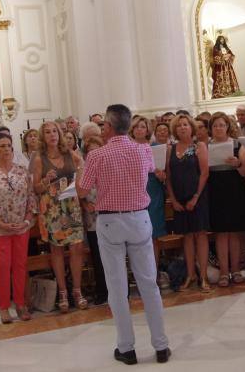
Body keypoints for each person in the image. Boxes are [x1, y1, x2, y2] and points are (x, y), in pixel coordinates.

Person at [77, 104, 171, 365]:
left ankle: (127, 348)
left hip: (110, 222)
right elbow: (151, 171)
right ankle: (161, 345)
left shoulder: (96, 156)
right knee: (148, 283)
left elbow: (83, 191)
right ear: (129, 126)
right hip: (140, 217)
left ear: (107, 127)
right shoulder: (143, 150)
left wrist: (78, 171)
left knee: (117, 286)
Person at [0, 132, 37, 324]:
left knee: (20, 265)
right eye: (2, 146)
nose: (6, 150)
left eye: (9, 146)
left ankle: (20, 303)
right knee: (3, 267)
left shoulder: (21, 171)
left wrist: (26, 220)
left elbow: (31, 198)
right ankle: (3, 307)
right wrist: (1, 223)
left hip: (21, 227)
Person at [32, 121, 87, 312]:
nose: (52, 135)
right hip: (52, 208)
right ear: (43, 137)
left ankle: (77, 291)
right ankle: (63, 292)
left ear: (59, 134)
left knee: (76, 248)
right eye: (47, 132)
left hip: (70, 205)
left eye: (54, 131)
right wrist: (46, 181)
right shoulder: (39, 158)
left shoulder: (70, 153)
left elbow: (83, 168)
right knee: (56, 250)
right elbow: (35, 188)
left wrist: (79, 178)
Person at [166, 113, 211, 292]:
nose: (182, 127)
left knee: (200, 234)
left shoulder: (198, 146)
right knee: (187, 237)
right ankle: (190, 275)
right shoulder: (171, 149)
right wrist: (174, 200)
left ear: (191, 127)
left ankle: (204, 276)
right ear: (175, 129)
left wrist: (195, 197)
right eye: (179, 125)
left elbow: (204, 173)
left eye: (185, 124)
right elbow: (168, 176)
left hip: (197, 197)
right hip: (179, 199)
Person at [207, 112, 245, 286]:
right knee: (221, 233)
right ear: (211, 128)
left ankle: (236, 269)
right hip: (216, 190)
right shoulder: (205, 146)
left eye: (222, 125)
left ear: (227, 127)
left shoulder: (238, 145)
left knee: (234, 232)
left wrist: (237, 164)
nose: (218, 128)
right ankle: (224, 271)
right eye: (215, 125)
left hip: (234, 190)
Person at [130, 117, 167, 281]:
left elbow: (164, 175)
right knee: (137, 238)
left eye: (142, 127)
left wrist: (161, 175)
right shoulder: (128, 149)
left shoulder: (155, 148)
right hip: (135, 194)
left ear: (147, 130)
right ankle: (141, 275)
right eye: (136, 127)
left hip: (154, 192)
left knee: (153, 236)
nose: (139, 129)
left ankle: (154, 272)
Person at [79, 135, 110, 305]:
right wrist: (84, 203)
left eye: (97, 150)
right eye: (90, 151)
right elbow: (79, 191)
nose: (94, 153)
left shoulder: (109, 165)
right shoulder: (83, 169)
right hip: (92, 218)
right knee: (97, 257)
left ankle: (119, 291)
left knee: (113, 257)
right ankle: (102, 291)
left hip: (109, 215)